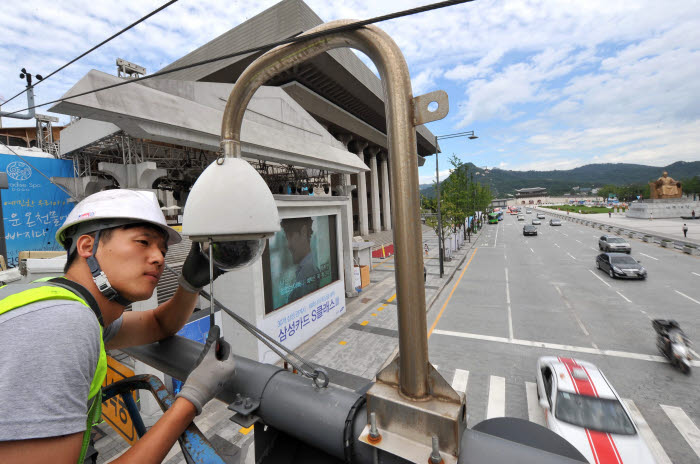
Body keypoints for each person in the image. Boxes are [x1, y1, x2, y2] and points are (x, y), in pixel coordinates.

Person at [0, 189, 234, 463]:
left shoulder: (62, 302)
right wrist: (191, 399)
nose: (159, 258)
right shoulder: (62, 324)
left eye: (162, 249)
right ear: (87, 246)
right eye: (143, 242)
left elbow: (158, 324)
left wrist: (189, 283)